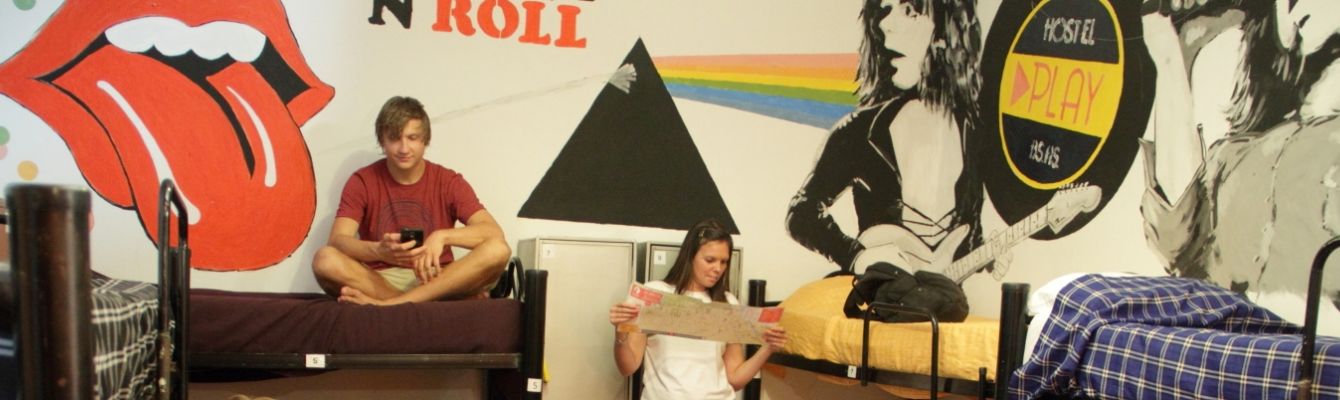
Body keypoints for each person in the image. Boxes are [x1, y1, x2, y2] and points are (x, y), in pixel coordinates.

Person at [786, 0, 989, 277]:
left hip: (941, 300)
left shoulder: (972, 132)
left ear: (945, 31)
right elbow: (802, 212)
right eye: (884, 11)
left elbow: (966, 235)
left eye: (909, 11)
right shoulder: (859, 131)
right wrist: (855, 255)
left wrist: (987, 255)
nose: (885, 24)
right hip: (880, 299)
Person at [312, 96, 511, 305]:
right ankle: (419, 303)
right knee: (325, 259)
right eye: (394, 138)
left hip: (439, 277)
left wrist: (442, 237)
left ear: (425, 140)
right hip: (382, 279)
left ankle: (391, 305)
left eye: (412, 138)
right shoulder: (362, 181)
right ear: (382, 141)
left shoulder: (448, 181)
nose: (404, 149)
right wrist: (379, 251)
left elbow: (493, 233)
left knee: (498, 250)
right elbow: (337, 241)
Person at [608, 219, 788, 400]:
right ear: (690, 256)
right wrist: (620, 332)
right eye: (710, 260)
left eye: (724, 262)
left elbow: (735, 379)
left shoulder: (727, 302)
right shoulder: (655, 294)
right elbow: (628, 367)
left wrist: (768, 348)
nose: (718, 269)